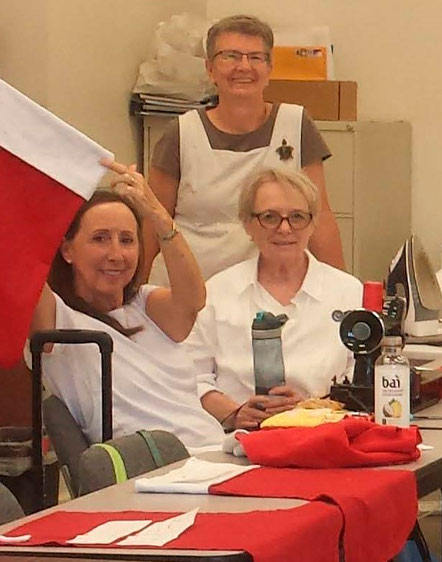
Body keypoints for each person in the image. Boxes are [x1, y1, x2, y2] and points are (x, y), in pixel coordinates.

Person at [28, 161, 225, 452]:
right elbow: (16, 249)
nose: (116, 254)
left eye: (127, 240)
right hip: (152, 471)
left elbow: (193, 300)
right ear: (67, 250)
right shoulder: (59, 320)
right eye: (100, 239)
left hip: (217, 450)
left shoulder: (145, 303)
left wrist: (157, 215)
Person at [145, 14, 344, 286]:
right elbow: (153, 222)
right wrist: (132, 298)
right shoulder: (181, 133)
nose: (243, 67)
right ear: (210, 68)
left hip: (271, 291)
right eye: (230, 56)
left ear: (270, 68)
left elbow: (321, 219)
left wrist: (344, 296)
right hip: (190, 292)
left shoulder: (296, 125)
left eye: (255, 57)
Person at [186, 167, 362, 431]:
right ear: (247, 223)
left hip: (322, 437)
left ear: (313, 223)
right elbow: (192, 378)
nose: (284, 228)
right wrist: (234, 414)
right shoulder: (215, 293)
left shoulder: (348, 293)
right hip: (236, 439)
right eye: (269, 217)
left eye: (297, 217)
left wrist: (310, 409)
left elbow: (363, 383)